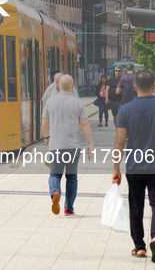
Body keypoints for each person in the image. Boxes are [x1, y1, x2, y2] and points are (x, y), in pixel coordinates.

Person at [112, 70, 155, 263]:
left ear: (134, 87)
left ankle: (139, 247)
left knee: (136, 205)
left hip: (135, 167)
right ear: (154, 86)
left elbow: (119, 142)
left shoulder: (125, 110)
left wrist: (116, 168)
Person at [42, 75, 94, 216]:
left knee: (54, 175)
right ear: (73, 87)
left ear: (58, 86)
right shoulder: (78, 103)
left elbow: (44, 124)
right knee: (71, 177)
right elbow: (84, 124)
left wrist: (47, 137)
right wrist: (90, 144)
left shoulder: (50, 102)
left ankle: (55, 193)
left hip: (56, 146)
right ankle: (68, 207)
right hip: (73, 146)